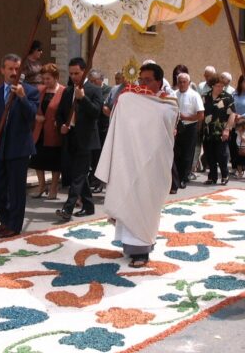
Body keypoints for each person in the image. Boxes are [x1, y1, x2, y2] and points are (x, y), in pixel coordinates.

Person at [95, 63, 179, 267]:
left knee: (146, 204)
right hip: (131, 159)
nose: (143, 84)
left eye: (148, 80)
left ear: (159, 81)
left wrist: (141, 105)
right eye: (140, 80)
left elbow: (166, 123)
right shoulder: (133, 100)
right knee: (128, 198)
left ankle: (142, 252)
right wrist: (126, 97)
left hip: (153, 163)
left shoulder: (167, 103)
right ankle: (130, 247)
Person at [0, 53, 39, 237]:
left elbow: (32, 117)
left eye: (17, 69)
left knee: (16, 190)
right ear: (2, 70)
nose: (14, 72)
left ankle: (14, 226)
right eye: (10, 69)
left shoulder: (30, 92)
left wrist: (23, 98)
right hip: (0, 149)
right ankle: (5, 219)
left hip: (19, 148)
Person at [55, 57, 103, 221]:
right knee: (79, 174)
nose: (74, 76)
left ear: (84, 72)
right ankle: (88, 206)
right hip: (71, 136)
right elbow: (60, 113)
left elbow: (96, 112)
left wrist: (83, 98)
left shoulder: (94, 89)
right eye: (71, 73)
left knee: (78, 175)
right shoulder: (68, 91)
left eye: (77, 73)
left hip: (87, 138)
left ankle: (67, 208)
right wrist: (61, 125)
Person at [30, 63, 65, 200]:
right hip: (40, 131)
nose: (45, 82)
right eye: (43, 79)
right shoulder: (39, 90)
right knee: (37, 160)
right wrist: (35, 116)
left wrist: (60, 121)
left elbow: (67, 111)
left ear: (56, 77)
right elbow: (31, 107)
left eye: (48, 79)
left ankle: (54, 188)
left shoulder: (63, 91)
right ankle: (41, 186)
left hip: (54, 132)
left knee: (54, 162)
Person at [201, 72, 236, 185]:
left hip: (221, 131)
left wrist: (227, 129)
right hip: (207, 131)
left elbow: (232, 114)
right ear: (212, 85)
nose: (220, 88)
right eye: (218, 86)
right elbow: (201, 113)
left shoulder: (227, 97)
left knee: (222, 155)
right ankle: (212, 176)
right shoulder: (205, 97)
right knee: (209, 154)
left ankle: (225, 175)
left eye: (222, 86)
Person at [172, 72, 204, 190]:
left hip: (190, 127)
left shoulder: (194, 95)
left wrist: (186, 118)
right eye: (179, 82)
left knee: (187, 154)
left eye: (184, 82)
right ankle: (176, 178)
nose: (181, 84)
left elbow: (200, 115)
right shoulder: (174, 94)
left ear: (189, 83)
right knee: (176, 153)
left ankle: (184, 178)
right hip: (176, 126)